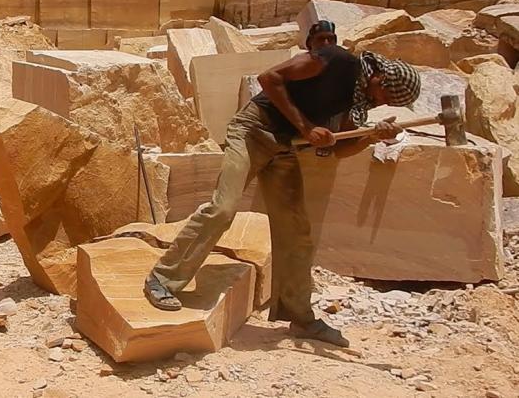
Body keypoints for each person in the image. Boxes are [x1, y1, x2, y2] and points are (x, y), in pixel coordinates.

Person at [143, 21, 421, 348]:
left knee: (297, 231)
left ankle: (300, 316)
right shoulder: (337, 61)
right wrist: (305, 127)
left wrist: (371, 136)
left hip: (284, 147)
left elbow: (336, 150)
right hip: (252, 131)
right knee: (223, 208)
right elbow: (269, 78)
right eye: (386, 95)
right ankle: (162, 280)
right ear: (380, 78)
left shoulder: (359, 102)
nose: (382, 101)